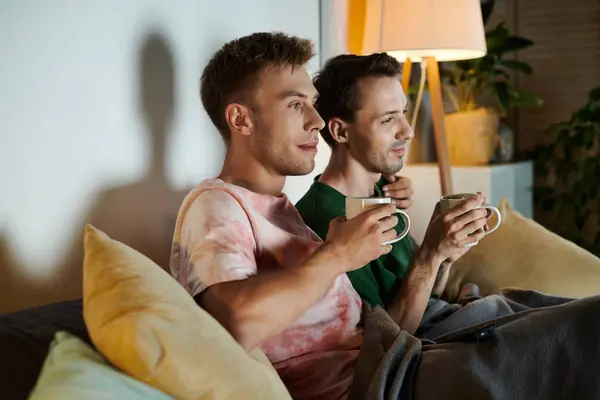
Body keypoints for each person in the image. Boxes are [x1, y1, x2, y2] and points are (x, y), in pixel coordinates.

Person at [170, 34, 600, 400]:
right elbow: (234, 325)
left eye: (314, 104)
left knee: (567, 319)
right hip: (381, 382)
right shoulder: (217, 204)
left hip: (404, 356)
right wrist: (338, 256)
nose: (316, 121)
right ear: (240, 118)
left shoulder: (283, 212)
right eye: (295, 104)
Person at [296, 53, 488, 334]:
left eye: (404, 114)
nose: (408, 131)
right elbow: (387, 341)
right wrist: (430, 256)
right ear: (340, 130)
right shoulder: (327, 223)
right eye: (388, 120)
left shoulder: (381, 196)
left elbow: (423, 295)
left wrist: (444, 256)